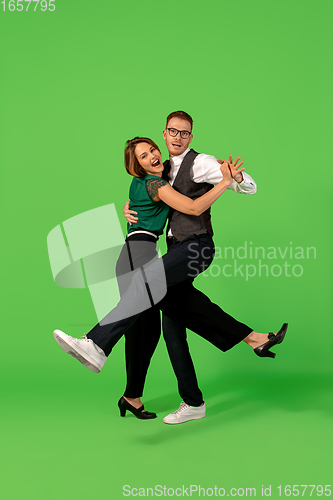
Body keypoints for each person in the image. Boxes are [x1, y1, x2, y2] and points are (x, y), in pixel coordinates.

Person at [53, 135, 262, 418]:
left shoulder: (158, 175)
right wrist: (225, 181)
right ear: (135, 166)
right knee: (157, 320)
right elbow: (192, 208)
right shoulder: (155, 182)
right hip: (137, 253)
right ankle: (96, 344)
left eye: (152, 150)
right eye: (143, 156)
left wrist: (229, 172)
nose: (152, 156)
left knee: (146, 330)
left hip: (140, 251)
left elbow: (143, 198)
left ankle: (132, 396)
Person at [122, 110, 288, 424]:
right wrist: (128, 208)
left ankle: (252, 337)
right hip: (174, 248)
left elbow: (247, 185)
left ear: (191, 137)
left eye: (184, 133)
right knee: (172, 328)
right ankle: (193, 402)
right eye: (172, 131)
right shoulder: (159, 169)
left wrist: (235, 178)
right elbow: (146, 197)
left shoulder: (200, 162)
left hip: (195, 246)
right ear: (165, 132)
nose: (177, 137)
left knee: (154, 291)